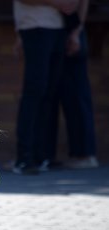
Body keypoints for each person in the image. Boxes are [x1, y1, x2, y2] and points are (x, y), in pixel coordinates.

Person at [11, 0, 79, 174]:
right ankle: (24, 158)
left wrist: (76, 30)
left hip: (59, 28)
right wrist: (57, 3)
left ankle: (44, 156)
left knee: (51, 92)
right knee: (35, 90)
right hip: (34, 27)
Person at [51, 0, 99, 169]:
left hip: (73, 33)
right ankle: (80, 154)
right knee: (68, 97)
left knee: (77, 96)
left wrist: (76, 32)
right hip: (67, 32)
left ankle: (85, 154)